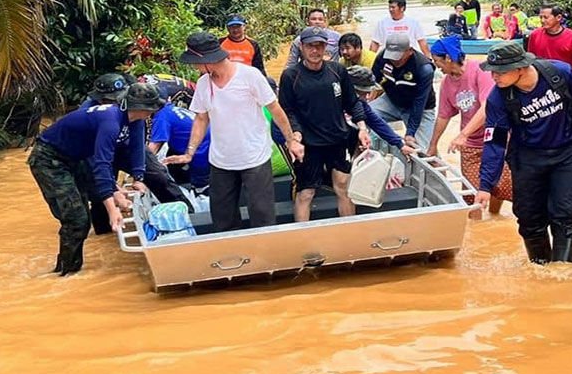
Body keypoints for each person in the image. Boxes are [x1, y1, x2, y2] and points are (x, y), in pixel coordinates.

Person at [477, 43, 572, 264]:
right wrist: (485, 185)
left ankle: (564, 273)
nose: (494, 76)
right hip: (527, 157)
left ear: (520, 68)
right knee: (528, 218)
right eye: (492, 71)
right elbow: (495, 142)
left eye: (499, 71)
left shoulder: (560, 74)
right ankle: (541, 270)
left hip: (568, 151)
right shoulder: (498, 98)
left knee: (567, 213)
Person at [168, 31, 297, 234]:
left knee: (262, 213)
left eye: (195, 62)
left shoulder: (250, 76)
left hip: (254, 158)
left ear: (206, 60)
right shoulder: (203, 84)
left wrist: (291, 140)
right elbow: (201, 118)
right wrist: (189, 152)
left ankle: (264, 257)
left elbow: (275, 109)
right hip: (221, 160)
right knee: (222, 215)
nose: (194, 67)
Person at [28, 73, 157, 276]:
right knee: (77, 219)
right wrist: (112, 210)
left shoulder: (135, 119)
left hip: (76, 157)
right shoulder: (111, 121)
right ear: (142, 108)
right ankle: (66, 274)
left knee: (96, 198)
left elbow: (137, 149)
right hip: (49, 159)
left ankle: (67, 269)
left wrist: (138, 179)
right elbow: (102, 163)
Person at [278, 27, 364, 222]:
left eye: (319, 46)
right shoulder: (291, 76)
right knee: (306, 193)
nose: (315, 51)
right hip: (309, 144)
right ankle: (303, 241)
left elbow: (353, 102)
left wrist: (362, 128)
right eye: (310, 46)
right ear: (302, 47)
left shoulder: (337, 70)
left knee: (343, 186)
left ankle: (349, 233)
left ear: (326, 47)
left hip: (337, 140)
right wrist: (295, 136)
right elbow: (287, 111)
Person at [429, 35, 508, 215]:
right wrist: (433, 145)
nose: (436, 66)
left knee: (498, 188)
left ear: (448, 58)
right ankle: (475, 227)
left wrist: (462, 134)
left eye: (437, 61)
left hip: (495, 139)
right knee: (472, 195)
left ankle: (494, 220)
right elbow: (443, 115)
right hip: (471, 145)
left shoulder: (481, 70)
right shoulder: (447, 83)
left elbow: (488, 105)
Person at [370, 31, 438, 153]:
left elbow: (419, 102)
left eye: (398, 57)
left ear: (410, 51)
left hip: (419, 108)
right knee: (364, 115)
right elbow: (372, 82)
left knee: (423, 152)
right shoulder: (382, 58)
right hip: (392, 101)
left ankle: (437, 168)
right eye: (391, 56)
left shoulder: (424, 68)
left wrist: (410, 132)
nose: (394, 61)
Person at [146, 95, 209, 191]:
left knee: (201, 187)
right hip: (205, 140)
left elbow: (153, 148)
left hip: (200, 148)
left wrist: (138, 171)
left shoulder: (161, 118)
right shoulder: (170, 109)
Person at [525, 3, 572, 85]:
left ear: (558, 17)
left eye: (546, 17)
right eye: (540, 17)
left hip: (566, 81)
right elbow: (531, 61)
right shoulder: (535, 35)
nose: (542, 21)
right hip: (543, 82)